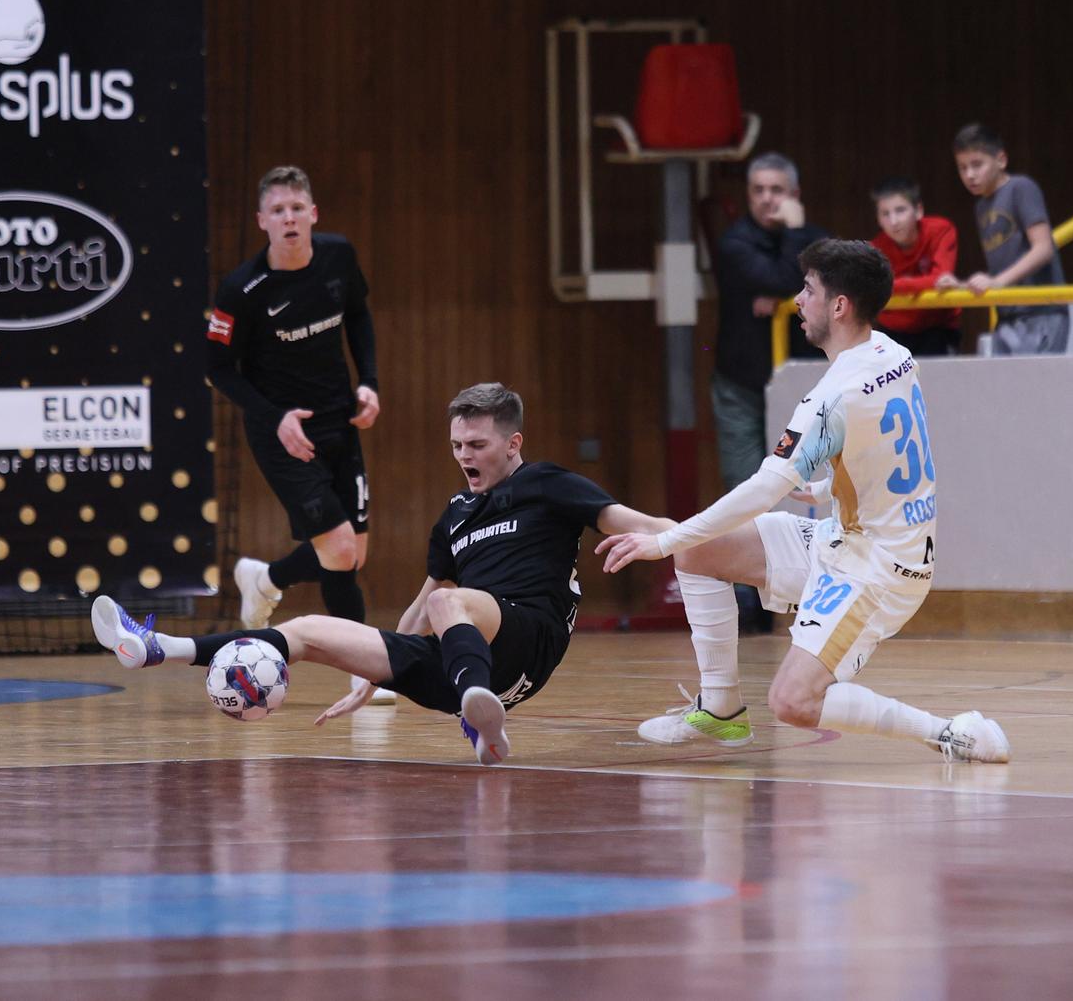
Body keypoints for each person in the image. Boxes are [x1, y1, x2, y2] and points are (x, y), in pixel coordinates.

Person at [90, 383, 676, 765]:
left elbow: (635, 519)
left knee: (455, 604)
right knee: (309, 630)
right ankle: (159, 647)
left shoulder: (546, 482)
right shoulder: (454, 515)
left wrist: (680, 538)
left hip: (529, 634)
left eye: (476, 444)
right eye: (455, 445)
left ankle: (476, 710)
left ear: (513, 442)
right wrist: (375, 675)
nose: (464, 456)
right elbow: (420, 607)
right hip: (465, 652)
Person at [597, 238, 1010, 763]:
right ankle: (721, 709)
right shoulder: (896, 355)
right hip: (848, 538)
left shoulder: (831, 397)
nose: (796, 300)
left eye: (808, 290)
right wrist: (824, 488)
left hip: (877, 570)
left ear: (839, 306)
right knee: (701, 551)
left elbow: (763, 490)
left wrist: (664, 539)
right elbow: (893, 455)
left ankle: (948, 732)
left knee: (793, 701)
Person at [206, 166, 395, 704]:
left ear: (312, 215)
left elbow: (357, 315)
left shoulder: (338, 258)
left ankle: (265, 578)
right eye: (278, 211)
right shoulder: (241, 289)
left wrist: (371, 385)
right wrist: (277, 418)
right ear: (262, 221)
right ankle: (367, 673)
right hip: (281, 431)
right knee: (336, 548)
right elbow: (218, 369)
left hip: (340, 420)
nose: (289, 218)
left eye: (297, 208)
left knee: (351, 554)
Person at [712, 152, 828, 632]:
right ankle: (751, 609)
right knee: (745, 492)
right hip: (740, 384)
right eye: (757, 190)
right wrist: (787, 283)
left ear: (794, 196)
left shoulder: (813, 239)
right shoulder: (734, 242)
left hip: (801, 384)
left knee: (809, 492)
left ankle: (816, 598)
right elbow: (785, 279)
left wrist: (781, 288)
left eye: (776, 190)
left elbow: (804, 280)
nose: (766, 198)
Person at [937, 123, 1068, 354]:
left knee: (1034, 388)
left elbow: (1043, 248)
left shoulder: (1021, 188)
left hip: (1041, 311)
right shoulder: (981, 206)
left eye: (977, 165)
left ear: (1001, 160)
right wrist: (963, 285)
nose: (970, 174)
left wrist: (997, 282)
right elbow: (1001, 272)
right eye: (962, 167)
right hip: (1008, 314)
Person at [867, 178, 960, 356]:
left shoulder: (941, 230)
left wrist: (892, 285)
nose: (893, 221)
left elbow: (941, 278)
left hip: (938, 329)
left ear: (918, 210)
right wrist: (925, 283)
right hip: (892, 334)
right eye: (885, 214)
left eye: (900, 210)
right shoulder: (875, 249)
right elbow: (871, 289)